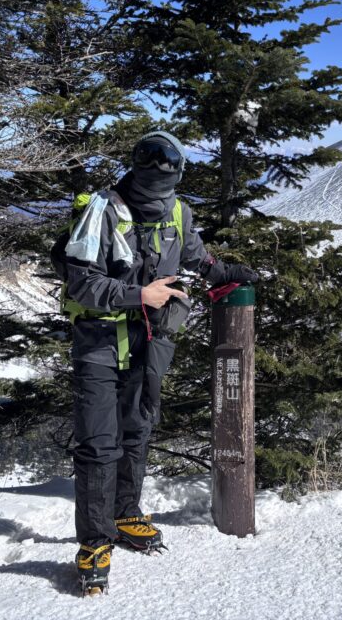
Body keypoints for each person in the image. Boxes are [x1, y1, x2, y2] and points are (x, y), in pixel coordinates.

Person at [52, 130, 258, 596]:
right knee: (99, 442)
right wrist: (137, 294)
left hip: (152, 342)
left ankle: (126, 513)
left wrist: (230, 273)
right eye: (153, 165)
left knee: (138, 428)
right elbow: (80, 282)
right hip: (101, 342)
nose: (159, 174)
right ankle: (94, 541)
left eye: (167, 167)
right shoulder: (102, 210)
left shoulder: (178, 213)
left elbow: (199, 261)